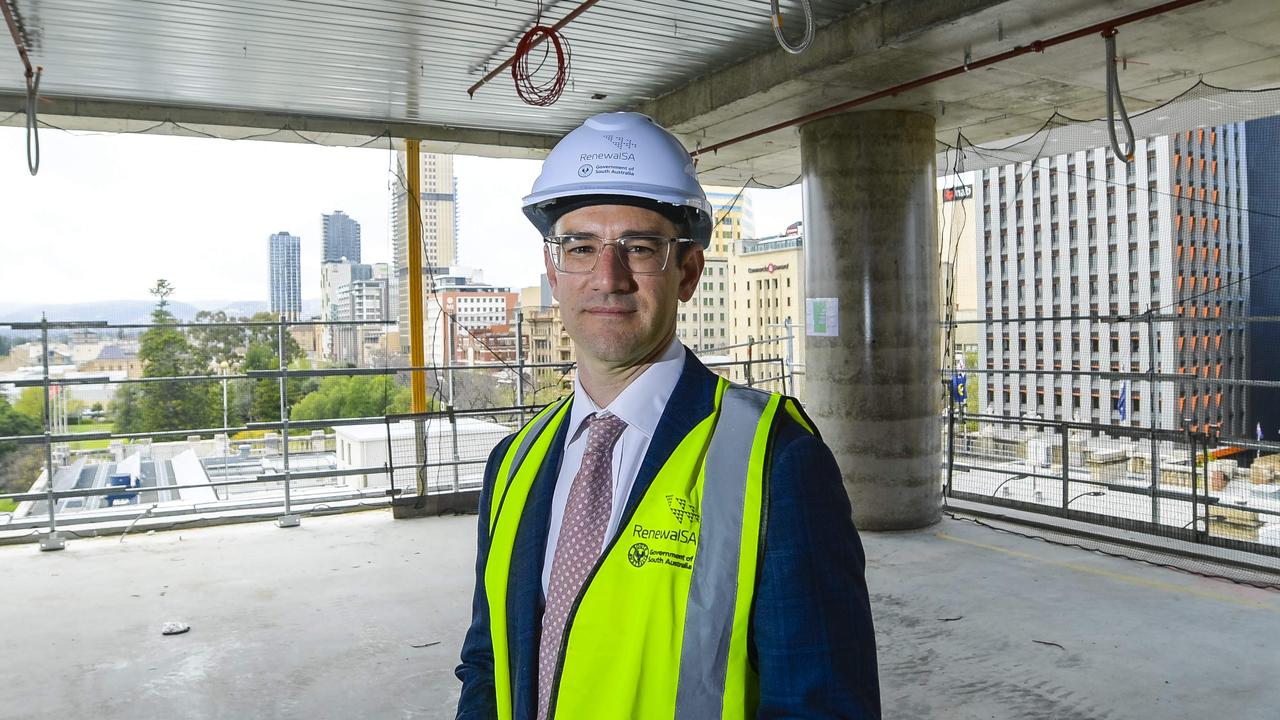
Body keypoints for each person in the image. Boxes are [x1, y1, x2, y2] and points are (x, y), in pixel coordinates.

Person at [455, 112, 879, 720]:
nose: (608, 277)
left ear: (688, 271)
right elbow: (489, 664)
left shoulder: (778, 463)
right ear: (553, 270)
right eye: (580, 247)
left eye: (640, 248)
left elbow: (824, 706)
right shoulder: (512, 464)